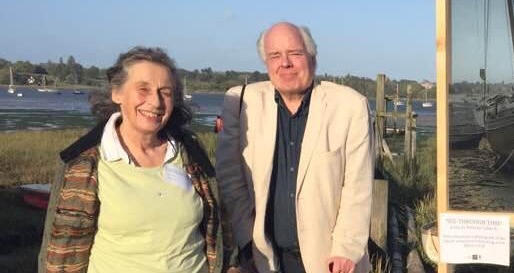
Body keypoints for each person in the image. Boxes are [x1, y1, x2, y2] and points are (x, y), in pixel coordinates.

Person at [38, 47, 226, 273]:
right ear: (117, 93)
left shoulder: (189, 152)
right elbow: (63, 254)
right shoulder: (84, 163)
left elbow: (217, 226)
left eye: (165, 92)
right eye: (143, 89)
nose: (156, 102)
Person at [216, 22, 373, 273]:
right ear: (266, 63)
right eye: (275, 55)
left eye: (295, 54)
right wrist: (247, 243)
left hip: (330, 262)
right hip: (265, 260)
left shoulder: (350, 106)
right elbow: (231, 180)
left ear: (313, 57)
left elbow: (358, 187)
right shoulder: (241, 102)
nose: (285, 63)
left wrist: (346, 250)